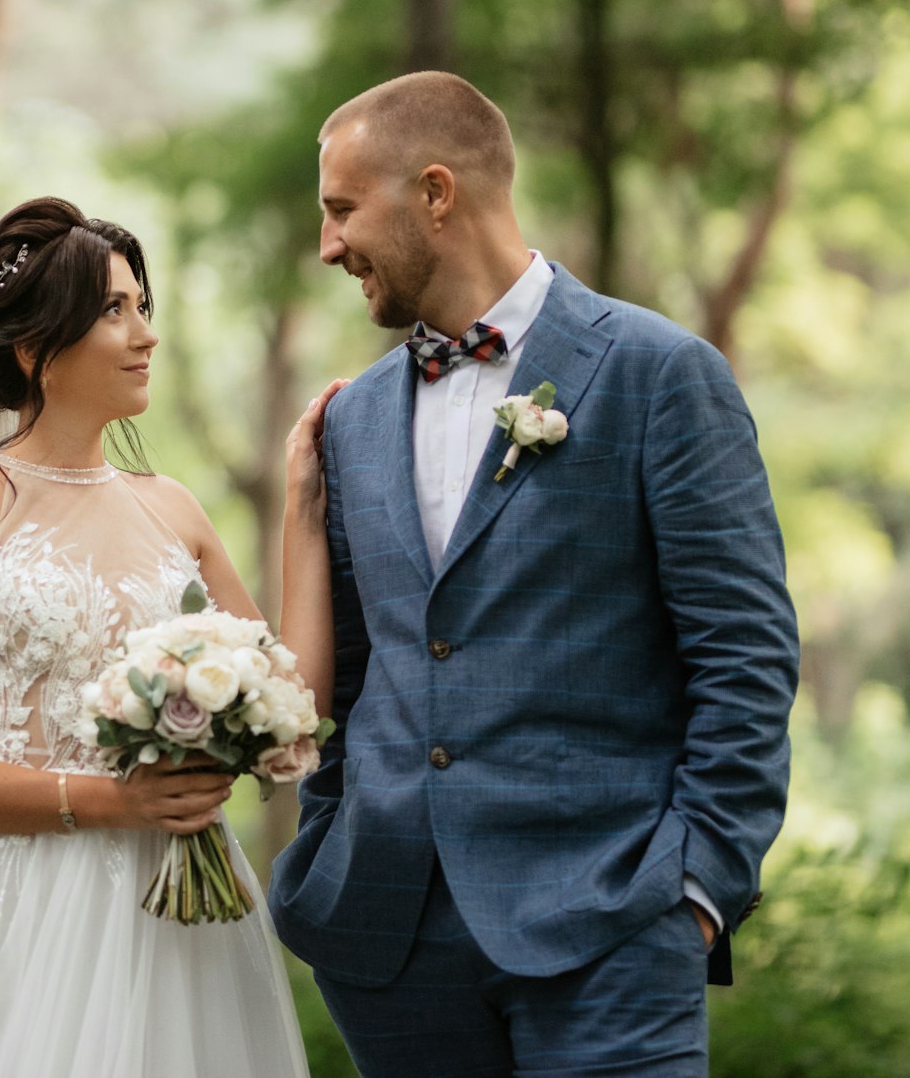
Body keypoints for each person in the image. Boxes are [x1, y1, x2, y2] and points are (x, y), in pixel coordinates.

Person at [271, 71, 800, 1077]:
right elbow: (352, 675)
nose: (329, 245)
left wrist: (693, 889)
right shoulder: (350, 417)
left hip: (610, 925)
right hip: (390, 939)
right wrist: (333, 837)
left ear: (434, 192)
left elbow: (743, 653)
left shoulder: (658, 374)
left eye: (342, 210)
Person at [0, 197, 309, 1076]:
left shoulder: (173, 506)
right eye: (113, 311)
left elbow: (287, 691)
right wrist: (111, 802)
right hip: (10, 916)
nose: (145, 334)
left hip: (183, 916)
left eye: (143, 308)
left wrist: (304, 509)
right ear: (32, 347)